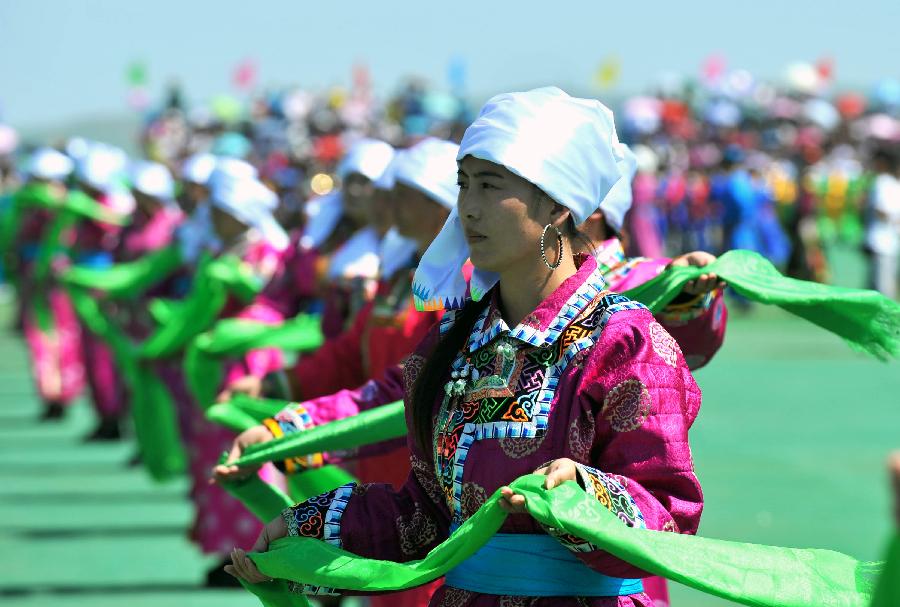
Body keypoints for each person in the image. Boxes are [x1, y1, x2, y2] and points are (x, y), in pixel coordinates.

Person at [224, 87, 702, 607]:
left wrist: (586, 496)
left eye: (490, 187)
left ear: (558, 204)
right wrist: (308, 531)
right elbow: (422, 516)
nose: (469, 209)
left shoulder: (625, 340)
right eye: (463, 185)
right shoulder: (456, 342)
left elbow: (667, 516)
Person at [865, 149, 900, 299]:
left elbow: (882, 211)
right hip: (882, 242)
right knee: (882, 288)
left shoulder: (888, 183)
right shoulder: (884, 182)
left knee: (881, 288)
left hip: (887, 242)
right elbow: (881, 211)